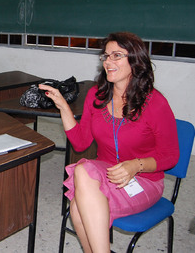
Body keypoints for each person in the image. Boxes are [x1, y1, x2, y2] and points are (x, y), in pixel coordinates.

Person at [40, 32, 179, 253]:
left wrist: (136, 165)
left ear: (135, 60)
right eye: (106, 56)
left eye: (117, 55)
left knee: (78, 202)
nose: (108, 62)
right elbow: (80, 142)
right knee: (83, 177)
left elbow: (171, 156)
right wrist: (63, 107)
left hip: (143, 181)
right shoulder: (97, 95)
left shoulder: (155, 103)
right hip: (105, 175)